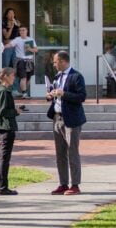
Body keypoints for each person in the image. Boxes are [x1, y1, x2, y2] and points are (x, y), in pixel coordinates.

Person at [46, 50, 86, 195]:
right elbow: (56, 93)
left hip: (71, 120)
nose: (54, 64)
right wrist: (50, 95)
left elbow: (82, 97)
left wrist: (64, 94)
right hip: (57, 118)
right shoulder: (57, 76)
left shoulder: (76, 76)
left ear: (63, 61)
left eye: (55, 62)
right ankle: (63, 183)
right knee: (60, 153)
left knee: (72, 152)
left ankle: (75, 185)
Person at [0, 67, 20, 196]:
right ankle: (2, 187)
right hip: (6, 126)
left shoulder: (1, 91)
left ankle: (2, 186)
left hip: (5, 126)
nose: (14, 78)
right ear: (6, 76)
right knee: (4, 158)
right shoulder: (2, 91)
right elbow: (2, 111)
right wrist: (15, 112)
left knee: (3, 157)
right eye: (12, 75)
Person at [11, 26, 38, 98]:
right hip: (21, 61)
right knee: (23, 77)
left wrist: (29, 49)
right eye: (20, 30)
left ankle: (24, 91)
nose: (22, 32)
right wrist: (3, 46)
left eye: (23, 30)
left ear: (27, 31)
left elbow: (36, 50)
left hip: (30, 61)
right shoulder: (17, 39)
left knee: (28, 78)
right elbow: (10, 44)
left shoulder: (31, 39)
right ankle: (24, 93)